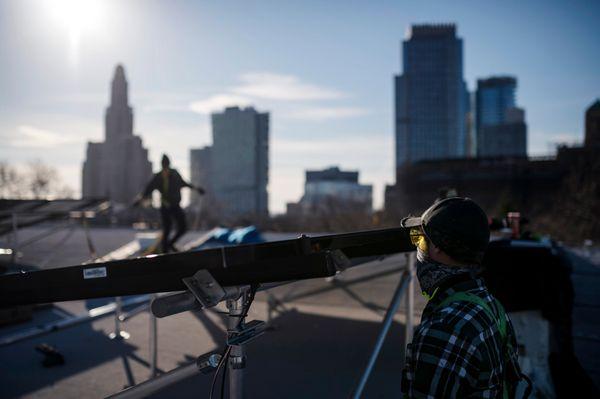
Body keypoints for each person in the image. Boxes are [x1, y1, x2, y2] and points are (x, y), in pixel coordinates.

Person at [400, 197, 529, 398]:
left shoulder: (447, 326)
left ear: (436, 248)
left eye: (420, 239)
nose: (418, 247)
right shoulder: (489, 304)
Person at [136, 154, 205, 253]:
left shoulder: (175, 173)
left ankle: (170, 244)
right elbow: (148, 189)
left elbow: (184, 183)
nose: (166, 167)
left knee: (183, 227)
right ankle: (165, 253)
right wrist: (140, 199)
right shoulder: (158, 176)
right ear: (162, 165)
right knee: (167, 229)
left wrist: (196, 189)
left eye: (166, 164)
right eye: (164, 165)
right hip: (165, 207)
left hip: (176, 205)